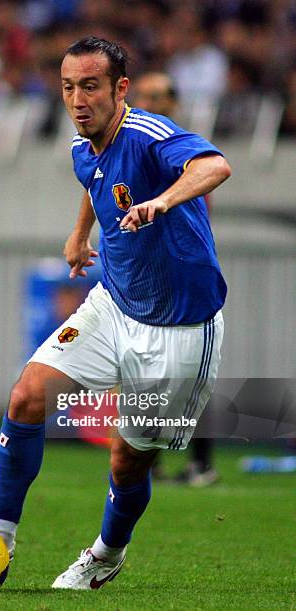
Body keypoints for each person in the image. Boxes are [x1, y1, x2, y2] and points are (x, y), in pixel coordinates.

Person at [0, 36, 231, 589]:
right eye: (68, 87)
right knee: (26, 397)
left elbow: (215, 164)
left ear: (119, 89)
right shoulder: (80, 145)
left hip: (180, 329)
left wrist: (163, 200)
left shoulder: (149, 133)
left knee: (126, 460)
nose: (77, 98)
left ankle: (106, 555)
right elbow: (94, 180)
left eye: (89, 86)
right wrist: (78, 233)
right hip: (112, 304)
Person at [131, 71, 220, 487]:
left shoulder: (184, 150)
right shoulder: (126, 144)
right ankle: (148, 463)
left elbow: (204, 201)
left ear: (173, 102)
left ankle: (201, 462)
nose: (149, 101)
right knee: (141, 372)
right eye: (143, 94)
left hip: (181, 274)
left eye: (158, 95)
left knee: (189, 376)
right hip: (143, 277)